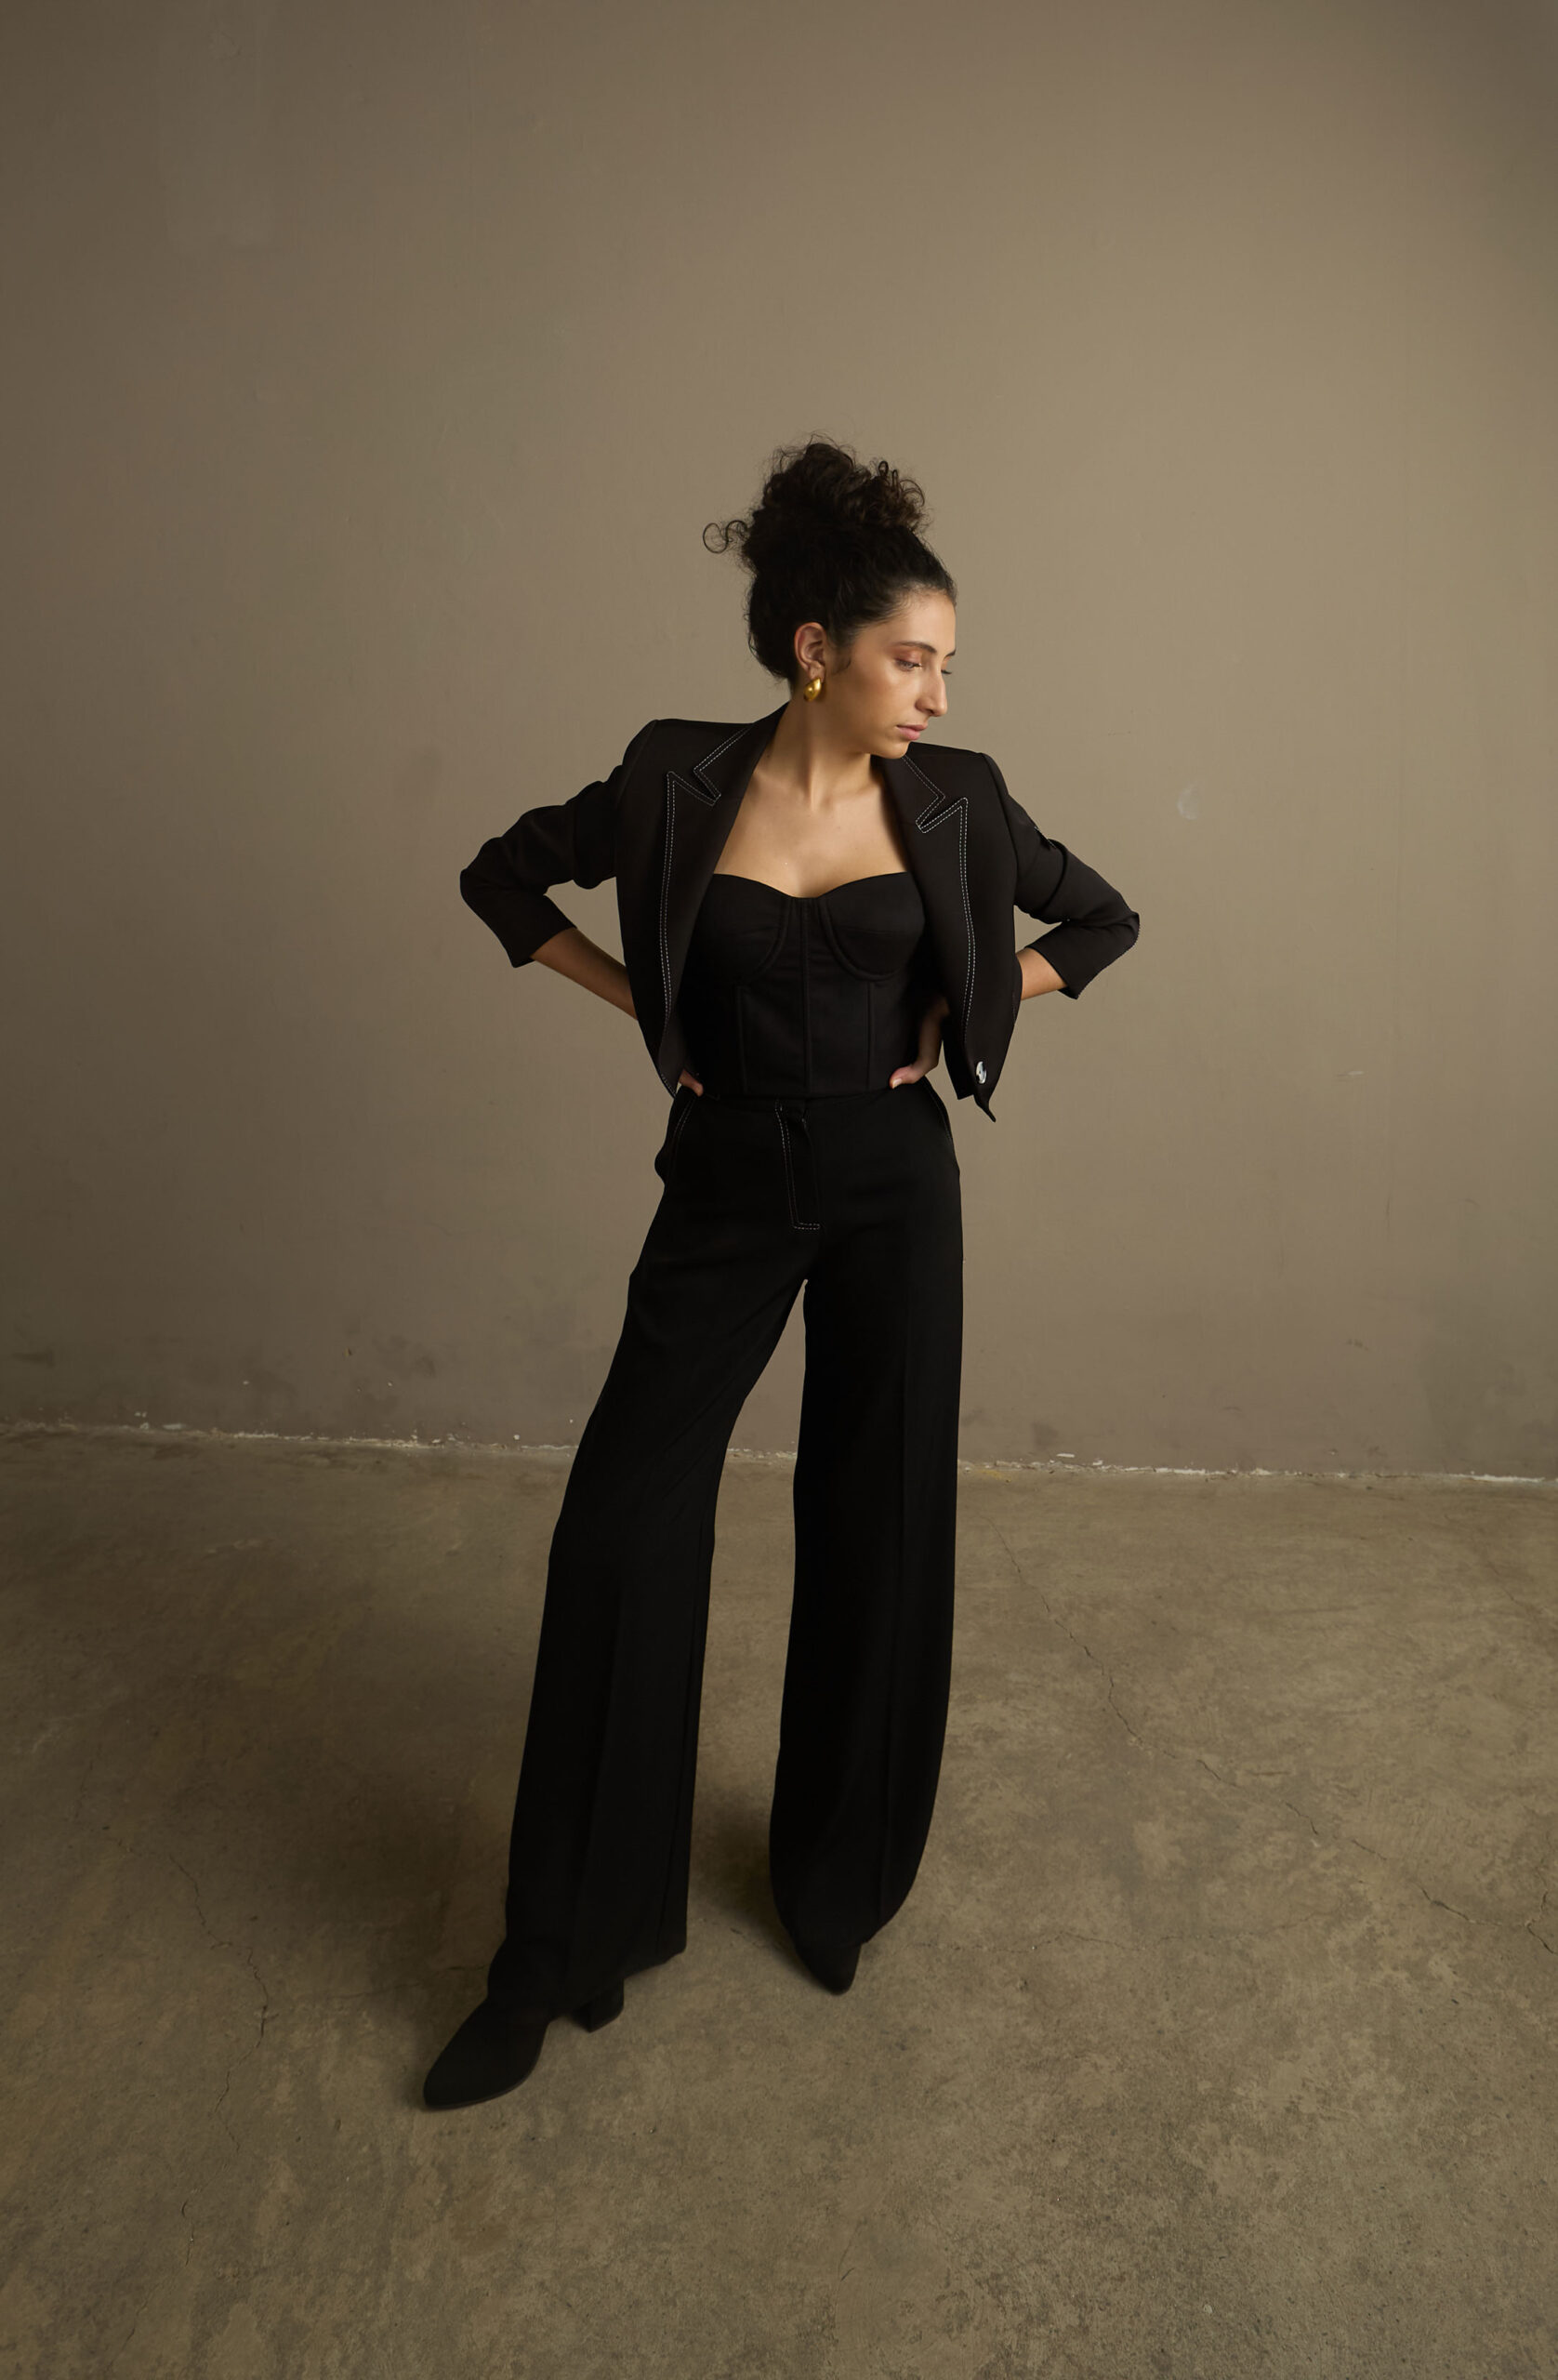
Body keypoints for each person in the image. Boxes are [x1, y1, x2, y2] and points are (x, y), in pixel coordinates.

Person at [423, 437, 1140, 2110]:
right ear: (817, 650)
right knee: (621, 1527)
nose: (939, 694)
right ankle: (559, 1948)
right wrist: (648, 1009)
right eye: (913, 660)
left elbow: (1103, 920)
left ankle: (837, 1882)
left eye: (947, 664)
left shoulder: (958, 800)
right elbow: (499, 875)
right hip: (727, 1187)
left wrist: (975, 998)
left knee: (878, 1517)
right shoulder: (674, 778)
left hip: (895, 1189)